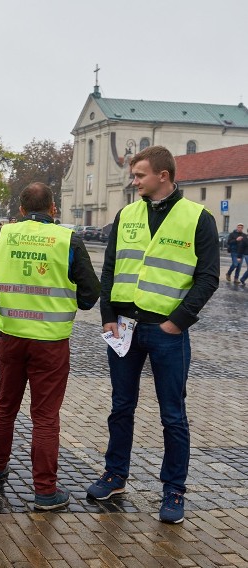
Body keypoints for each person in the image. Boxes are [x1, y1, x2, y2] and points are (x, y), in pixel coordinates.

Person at [87, 145, 219, 524]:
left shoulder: (197, 218)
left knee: (173, 415)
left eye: (140, 175)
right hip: (124, 327)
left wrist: (178, 320)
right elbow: (110, 267)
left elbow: (208, 276)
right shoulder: (127, 213)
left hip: (167, 331)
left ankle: (174, 490)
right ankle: (115, 475)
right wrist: (107, 315)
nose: (134, 181)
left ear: (164, 175)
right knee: (120, 407)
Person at [0, 182, 100, 510]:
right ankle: (45, 490)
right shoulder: (68, 239)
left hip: (10, 335)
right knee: (45, 415)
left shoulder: (4, 235)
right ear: (53, 208)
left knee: (5, 404)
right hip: (50, 341)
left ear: (21, 210)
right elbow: (91, 294)